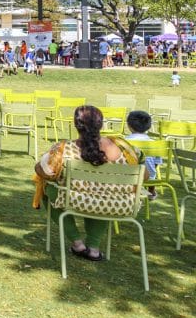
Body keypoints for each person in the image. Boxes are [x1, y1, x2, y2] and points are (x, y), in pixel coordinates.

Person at [35, 106, 144, 262]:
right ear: (101, 124)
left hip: (76, 201)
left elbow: (46, 173)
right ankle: (93, 248)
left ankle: (77, 243)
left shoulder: (64, 149)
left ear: (76, 124)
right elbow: (145, 175)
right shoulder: (123, 148)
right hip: (119, 204)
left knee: (47, 189)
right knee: (104, 195)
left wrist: (37, 167)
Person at [125, 110, 161, 199]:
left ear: (129, 126)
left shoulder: (124, 142)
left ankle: (136, 189)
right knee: (151, 168)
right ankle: (151, 190)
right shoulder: (156, 143)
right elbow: (156, 163)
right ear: (149, 126)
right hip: (149, 178)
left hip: (127, 176)